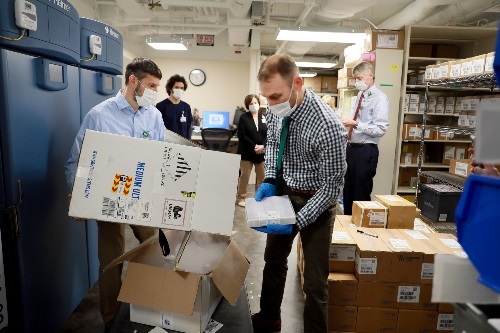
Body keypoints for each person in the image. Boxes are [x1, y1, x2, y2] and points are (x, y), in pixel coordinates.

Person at [65, 57, 165, 331]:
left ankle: (151, 304)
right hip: (108, 196)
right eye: (151, 85)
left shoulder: (153, 115)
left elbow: (160, 158)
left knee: (156, 247)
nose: (156, 91)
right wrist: (78, 197)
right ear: (133, 81)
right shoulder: (100, 115)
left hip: (142, 196)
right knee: (110, 259)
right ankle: (111, 319)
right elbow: (77, 159)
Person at [252, 54, 347, 333]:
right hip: (285, 193)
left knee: (315, 283)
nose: (270, 104)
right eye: (266, 97)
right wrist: (271, 177)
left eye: (276, 96)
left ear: (297, 83)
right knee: (273, 261)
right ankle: (269, 319)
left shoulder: (328, 127)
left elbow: (332, 187)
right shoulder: (278, 108)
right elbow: (271, 143)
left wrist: (298, 220)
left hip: (317, 202)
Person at [341, 61, 389, 215]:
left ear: (370, 75)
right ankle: (348, 227)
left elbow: (381, 129)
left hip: (366, 151)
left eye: (359, 78)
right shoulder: (360, 96)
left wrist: (356, 124)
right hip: (352, 149)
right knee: (348, 191)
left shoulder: (379, 98)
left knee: (360, 194)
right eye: (355, 79)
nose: (357, 82)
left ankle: (360, 229)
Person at [235, 94, 267, 207]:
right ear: (248, 105)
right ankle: (241, 198)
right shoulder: (244, 117)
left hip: (260, 153)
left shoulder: (263, 116)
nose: (254, 105)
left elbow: (266, 134)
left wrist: (263, 146)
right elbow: (242, 135)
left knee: (262, 176)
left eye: (256, 103)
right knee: (245, 176)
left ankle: (260, 196)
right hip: (247, 152)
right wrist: (255, 146)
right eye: (251, 103)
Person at [156, 74, 193, 139]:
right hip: (167, 143)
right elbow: (157, 128)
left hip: (183, 143)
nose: (179, 90)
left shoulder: (186, 107)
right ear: (170, 88)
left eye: (182, 88)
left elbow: (189, 127)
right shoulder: (161, 106)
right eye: (177, 87)